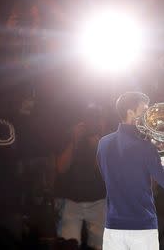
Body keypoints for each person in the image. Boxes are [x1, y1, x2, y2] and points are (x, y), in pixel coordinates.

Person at [97, 91, 164, 250]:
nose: (149, 116)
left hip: (113, 228)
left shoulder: (103, 143)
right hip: (142, 228)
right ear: (130, 113)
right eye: (144, 111)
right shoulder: (145, 147)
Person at [55, 105, 108, 250]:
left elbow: (106, 174)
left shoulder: (106, 140)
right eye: (89, 120)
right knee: (68, 244)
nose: (92, 124)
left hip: (98, 201)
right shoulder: (70, 135)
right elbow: (61, 168)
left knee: (101, 245)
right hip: (71, 201)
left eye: (96, 120)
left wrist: (99, 146)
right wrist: (74, 141)